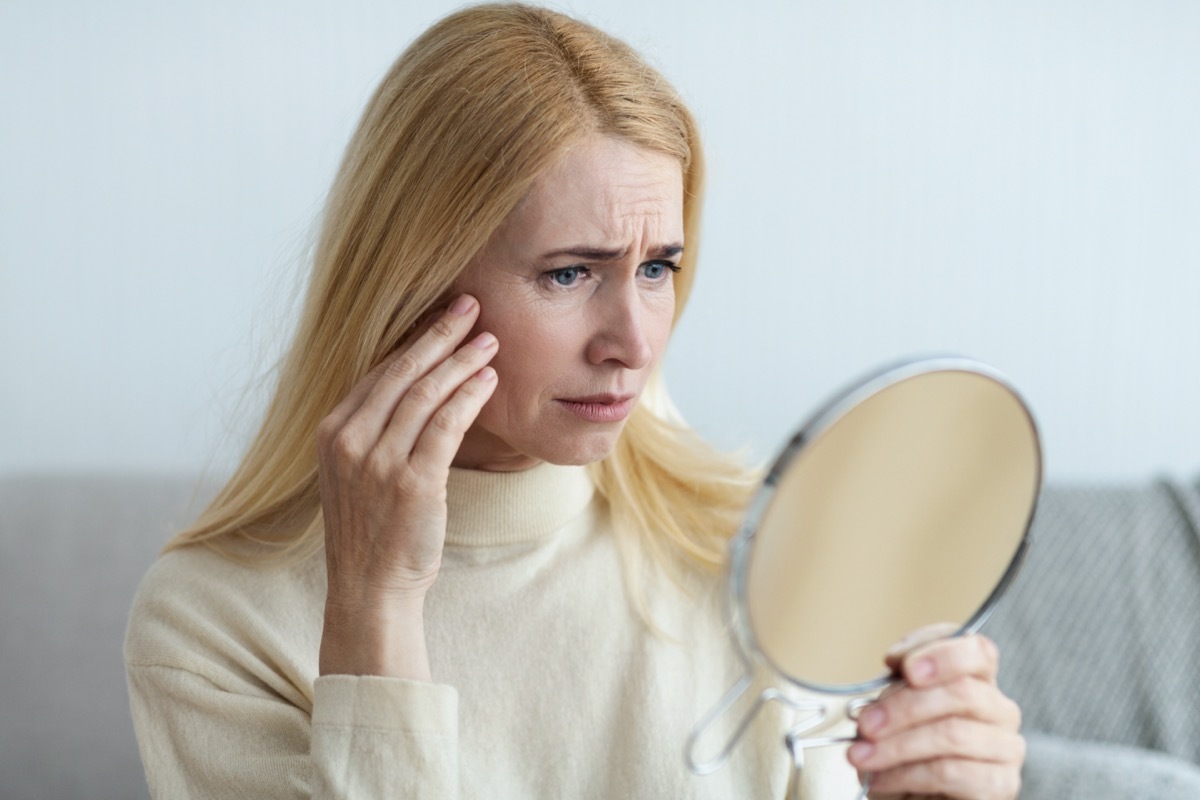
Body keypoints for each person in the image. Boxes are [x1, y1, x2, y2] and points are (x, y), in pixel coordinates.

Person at [125, 4, 1025, 798]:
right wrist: (376, 613)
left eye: (658, 268)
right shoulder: (210, 625)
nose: (632, 343)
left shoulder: (759, 560)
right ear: (412, 283)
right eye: (568, 272)